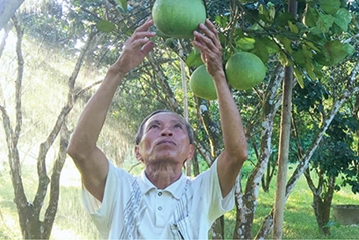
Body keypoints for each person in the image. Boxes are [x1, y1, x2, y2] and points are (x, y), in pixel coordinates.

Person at [67, 18, 248, 239]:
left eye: (177, 127)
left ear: (189, 152)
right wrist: (118, 69)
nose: (166, 131)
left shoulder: (202, 191)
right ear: (138, 152)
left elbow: (237, 154)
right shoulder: (118, 188)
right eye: (154, 127)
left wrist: (218, 74)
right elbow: (80, 150)